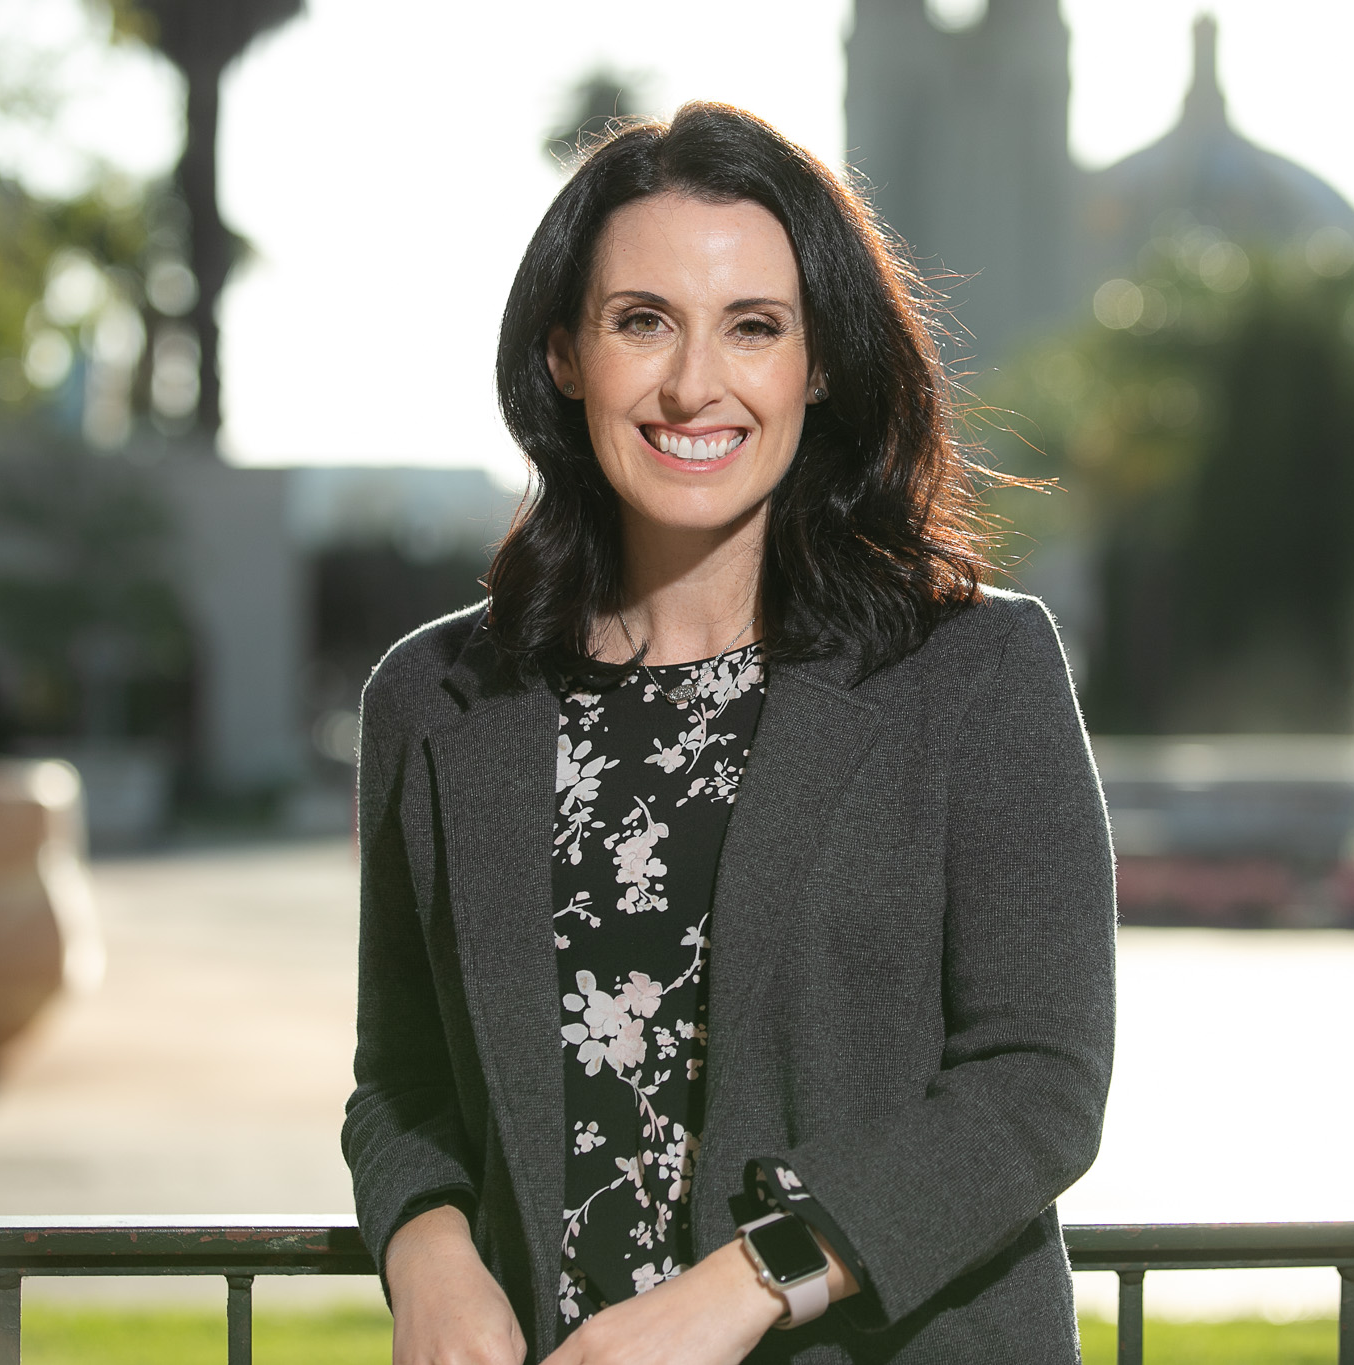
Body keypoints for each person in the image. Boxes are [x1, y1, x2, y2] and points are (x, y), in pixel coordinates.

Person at [343, 102, 1115, 1365]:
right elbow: (404, 1083)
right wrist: (424, 1250)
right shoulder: (434, 702)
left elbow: (1036, 1086)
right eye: (641, 321)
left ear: (816, 365)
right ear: (561, 356)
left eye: (752, 327)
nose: (693, 383)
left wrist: (745, 1287)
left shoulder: (971, 672)